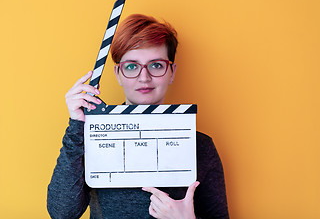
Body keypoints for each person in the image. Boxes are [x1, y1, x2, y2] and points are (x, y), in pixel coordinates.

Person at [47, 14, 229, 219]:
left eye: (156, 65)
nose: (144, 77)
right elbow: (62, 213)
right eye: (132, 66)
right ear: (118, 74)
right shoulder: (91, 139)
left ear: (172, 72)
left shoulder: (201, 147)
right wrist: (76, 126)